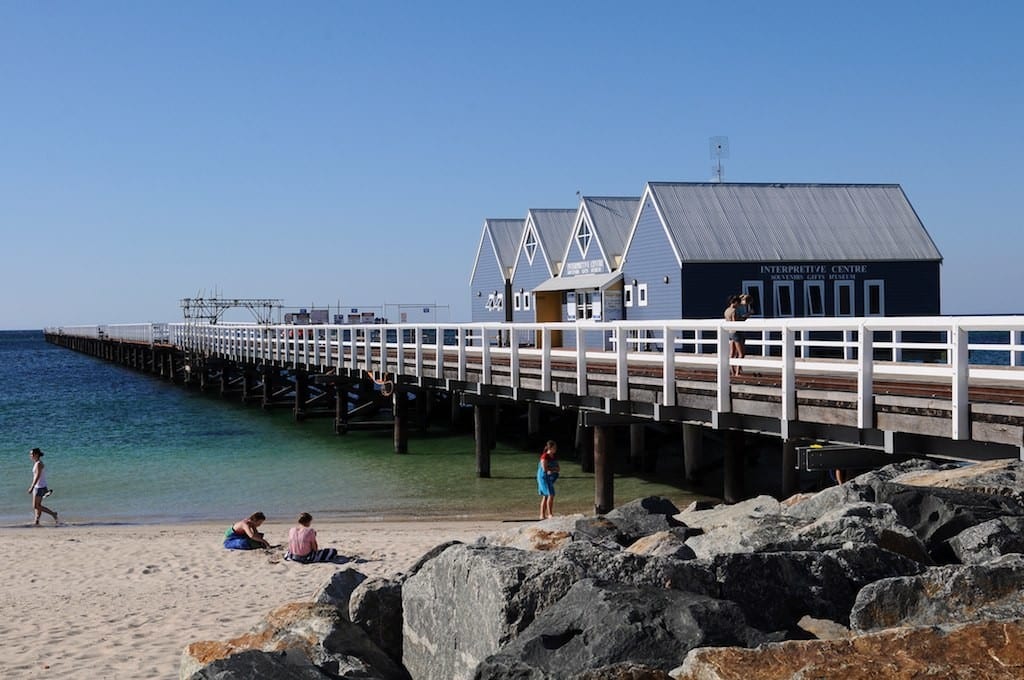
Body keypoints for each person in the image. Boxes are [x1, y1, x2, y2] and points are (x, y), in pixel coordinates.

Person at [28, 447, 58, 525]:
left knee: (35, 506)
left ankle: (53, 514)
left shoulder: (38, 464)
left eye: (32, 454)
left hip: (39, 487)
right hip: (40, 486)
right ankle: (37, 521)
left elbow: (37, 476)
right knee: (38, 506)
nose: (30, 455)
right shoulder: (37, 463)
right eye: (30, 454)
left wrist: (32, 486)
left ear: (36, 454)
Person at [537, 440, 560, 520]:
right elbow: (545, 469)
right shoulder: (545, 456)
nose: (555, 449)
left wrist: (553, 470)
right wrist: (553, 469)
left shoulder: (554, 457)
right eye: (554, 447)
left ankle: (542, 515)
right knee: (551, 494)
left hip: (550, 477)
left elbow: (558, 468)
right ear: (550, 448)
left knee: (546, 496)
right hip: (544, 477)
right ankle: (550, 514)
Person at [723, 295, 744, 376]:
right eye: (738, 303)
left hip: (730, 332)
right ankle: (738, 372)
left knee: (732, 353)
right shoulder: (734, 311)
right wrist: (745, 317)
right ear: (735, 302)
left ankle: (732, 371)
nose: (739, 305)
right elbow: (735, 322)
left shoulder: (726, 310)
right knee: (741, 353)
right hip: (736, 333)